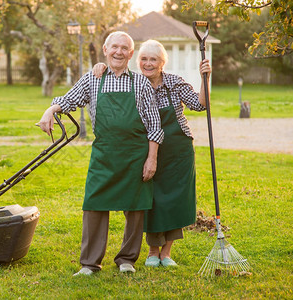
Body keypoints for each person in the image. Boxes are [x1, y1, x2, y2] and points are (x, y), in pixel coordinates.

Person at [38, 32, 164, 276]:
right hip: (104, 154)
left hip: (135, 155)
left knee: (136, 208)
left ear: (131, 53)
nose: (118, 51)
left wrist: (152, 159)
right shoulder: (93, 79)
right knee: (94, 205)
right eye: (114, 46)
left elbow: (154, 126)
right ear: (105, 49)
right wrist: (50, 110)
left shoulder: (141, 83)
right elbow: (69, 99)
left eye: (124, 48)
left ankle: (127, 259)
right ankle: (90, 263)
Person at [92, 39, 211, 267]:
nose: (148, 64)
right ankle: (152, 251)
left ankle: (166, 253)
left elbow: (200, 105)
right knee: (151, 199)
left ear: (162, 62)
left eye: (153, 59)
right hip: (145, 150)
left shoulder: (175, 83)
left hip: (177, 150)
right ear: (138, 61)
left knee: (175, 199)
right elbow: (112, 75)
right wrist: (101, 67)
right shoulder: (134, 82)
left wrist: (206, 77)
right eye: (144, 59)